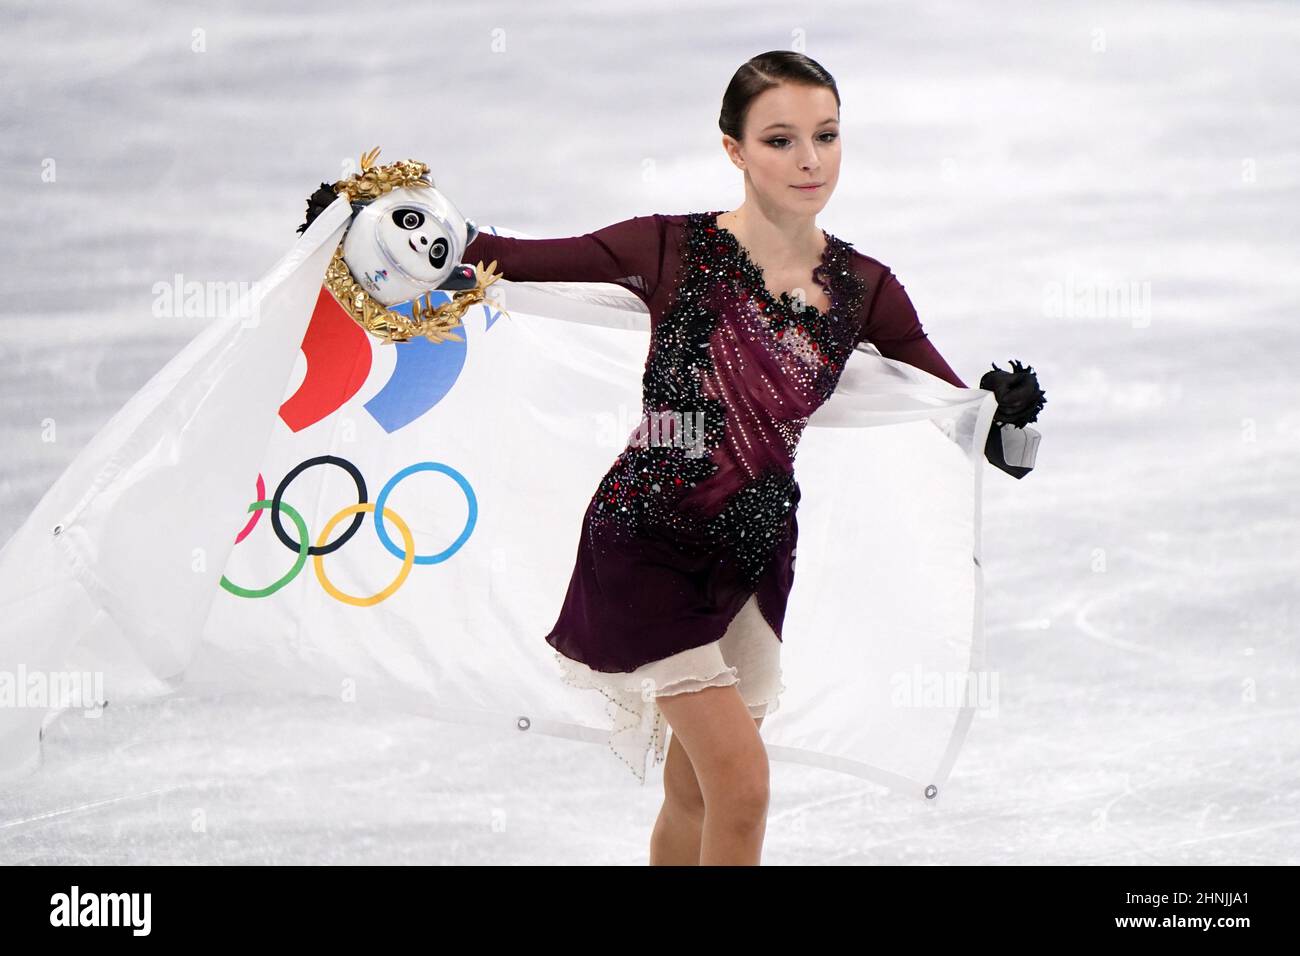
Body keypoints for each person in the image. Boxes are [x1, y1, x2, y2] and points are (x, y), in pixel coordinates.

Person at [464, 52, 989, 866]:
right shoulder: (667, 247)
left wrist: (1007, 419)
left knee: (697, 792)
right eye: (780, 139)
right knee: (742, 787)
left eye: (826, 135)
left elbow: (953, 409)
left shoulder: (864, 288)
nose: (810, 160)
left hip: (753, 553)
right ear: (733, 150)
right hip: (646, 544)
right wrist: (382, 223)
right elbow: (498, 255)